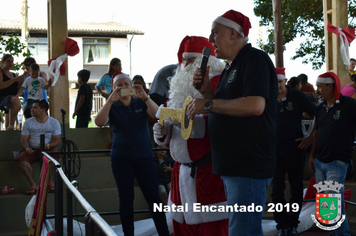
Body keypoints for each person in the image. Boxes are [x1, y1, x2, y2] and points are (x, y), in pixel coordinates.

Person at [187, 10, 278, 235]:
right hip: (235, 166)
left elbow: (255, 106)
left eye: (215, 33)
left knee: (243, 231)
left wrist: (207, 105)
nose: (210, 39)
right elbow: (225, 109)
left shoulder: (255, 59)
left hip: (247, 165)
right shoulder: (231, 67)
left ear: (232, 33)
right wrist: (208, 92)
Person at [154, 35, 228, 236]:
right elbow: (166, 131)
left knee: (214, 229)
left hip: (209, 173)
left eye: (192, 60)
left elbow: (223, 124)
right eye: (184, 60)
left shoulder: (219, 87)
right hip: (181, 174)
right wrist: (161, 132)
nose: (185, 65)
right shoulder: (177, 93)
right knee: (182, 229)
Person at [95, 72, 169, 236]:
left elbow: (159, 115)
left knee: (154, 198)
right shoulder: (112, 106)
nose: (123, 87)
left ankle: (164, 233)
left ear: (131, 85)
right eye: (119, 85)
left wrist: (145, 97)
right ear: (114, 88)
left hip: (144, 157)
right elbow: (99, 122)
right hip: (121, 158)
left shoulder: (140, 102)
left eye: (126, 84)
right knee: (126, 200)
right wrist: (109, 100)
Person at [309, 72, 356, 236]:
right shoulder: (320, 108)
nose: (318, 90)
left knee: (330, 199)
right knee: (327, 199)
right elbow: (317, 132)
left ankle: (336, 234)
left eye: (320, 86)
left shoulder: (349, 104)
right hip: (320, 161)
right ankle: (341, 232)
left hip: (337, 161)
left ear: (330, 86)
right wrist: (312, 156)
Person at [272, 68, 317, 236]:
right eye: (274, 82)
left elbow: (317, 113)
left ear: (285, 81)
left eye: (279, 82)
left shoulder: (298, 97)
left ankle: (293, 223)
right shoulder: (267, 97)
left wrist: (310, 138)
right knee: (277, 190)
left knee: (296, 189)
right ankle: (281, 224)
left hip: (295, 150)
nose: (277, 86)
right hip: (275, 152)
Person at [18, 99, 61, 194]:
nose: (32, 110)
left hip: (47, 148)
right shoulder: (28, 122)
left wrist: (48, 145)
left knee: (57, 157)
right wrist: (26, 148)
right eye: (32, 108)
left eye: (35, 108)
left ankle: (51, 182)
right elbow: (23, 140)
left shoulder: (54, 122)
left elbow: (57, 140)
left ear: (43, 109)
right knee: (22, 158)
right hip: (32, 150)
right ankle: (33, 184)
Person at [0, 54, 26, 130]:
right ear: (3, 62)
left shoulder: (14, 74)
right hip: (2, 97)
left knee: (15, 100)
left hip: (11, 99)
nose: (10, 63)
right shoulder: (1, 72)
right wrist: (14, 80)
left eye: (12, 62)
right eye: (8, 61)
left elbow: (17, 90)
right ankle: (11, 125)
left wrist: (21, 82)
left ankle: (10, 126)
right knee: (15, 100)